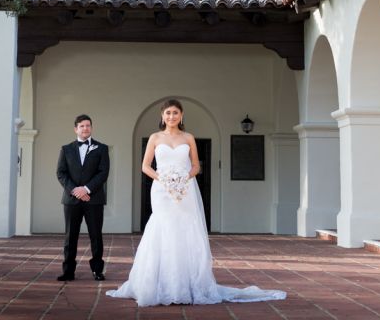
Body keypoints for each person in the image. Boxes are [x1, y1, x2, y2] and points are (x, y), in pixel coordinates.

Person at [106, 99, 286, 306]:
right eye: (168, 113)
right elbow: (145, 166)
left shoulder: (188, 137)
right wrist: (163, 179)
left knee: (185, 228)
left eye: (175, 113)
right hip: (162, 189)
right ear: (162, 116)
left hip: (185, 188)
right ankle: (156, 283)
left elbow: (195, 166)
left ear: (181, 116)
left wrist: (184, 178)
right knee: (162, 227)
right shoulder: (155, 138)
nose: (171, 116)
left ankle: (187, 284)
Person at [56, 114, 110, 281]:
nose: (85, 128)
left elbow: (103, 173)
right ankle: (68, 271)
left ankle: (97, 270)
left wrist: (86, 189)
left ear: (91, 128)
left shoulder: (101, 148)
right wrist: (76, 190)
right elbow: (61, 173)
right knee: (70, 236)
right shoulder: (66, 149)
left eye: (88, 125)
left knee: (96, 235)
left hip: (93, 199)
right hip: (71, 200)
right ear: (76, 129)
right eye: (82, 126)